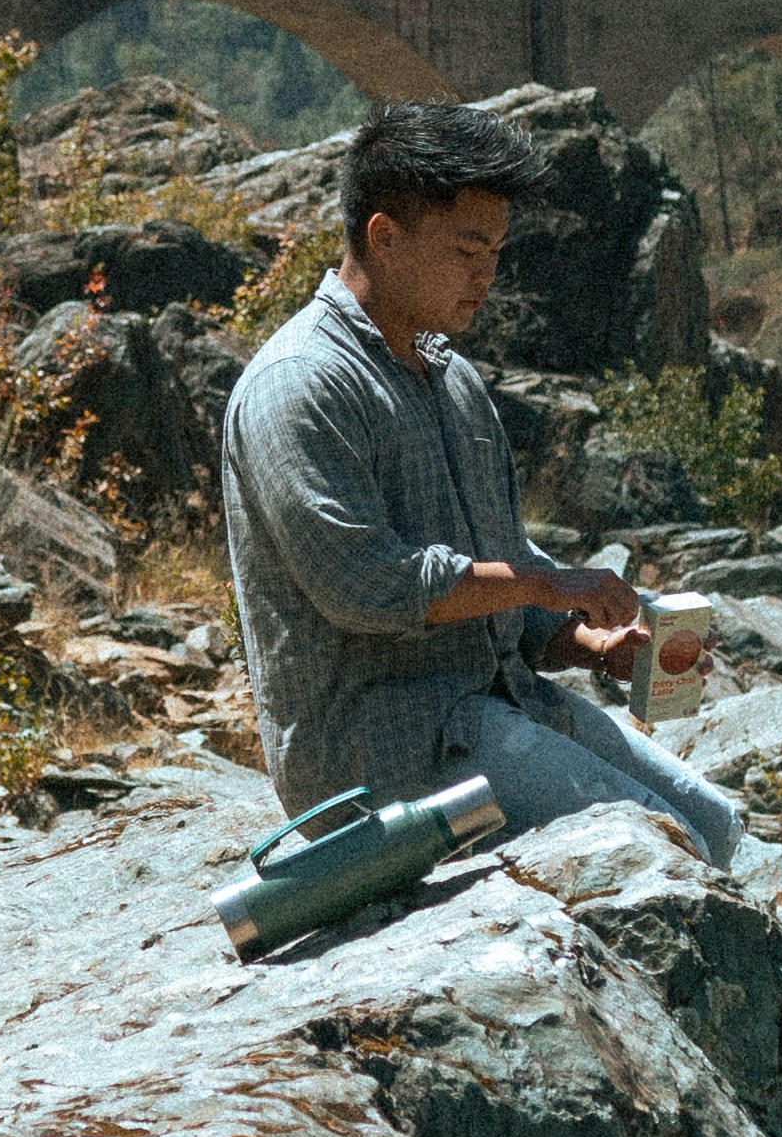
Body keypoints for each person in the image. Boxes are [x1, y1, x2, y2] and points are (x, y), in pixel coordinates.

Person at [221, 97, 742, 868]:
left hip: (494, 709)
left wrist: (597, 644)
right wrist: (544, 581)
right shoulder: (300, 384)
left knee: (718, 826)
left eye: (497, 251)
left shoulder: (452, 377)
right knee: (667, 849)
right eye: (468, 250)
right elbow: (366, 586)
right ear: (384, 237)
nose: (487, 274)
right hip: (382, 758)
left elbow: (502, 582)